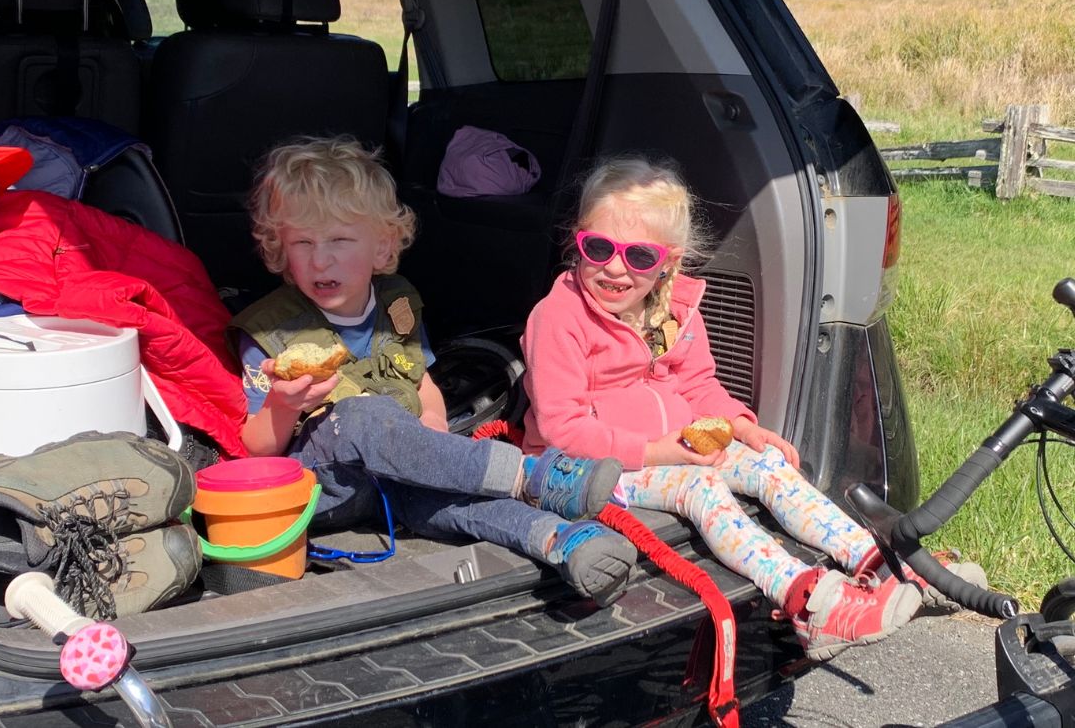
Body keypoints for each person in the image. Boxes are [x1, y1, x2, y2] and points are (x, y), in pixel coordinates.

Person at [521, 156, 983, 660]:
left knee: (767, 464)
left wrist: (741, 426)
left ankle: (879, 560)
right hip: (587, 467)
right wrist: (658, 451)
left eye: (639, 257)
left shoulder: (673, 309)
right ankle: (805, 600)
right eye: (599, 248)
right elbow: (563, 428)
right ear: (579, 241)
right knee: (700, 487)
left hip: (674, 448)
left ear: (668, 264)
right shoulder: (559, 317)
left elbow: (699, 385)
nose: (614, 267)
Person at [230, 137, 638, 604]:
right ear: (279, 248)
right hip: (324, 485)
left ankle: (560, 541)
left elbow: (421, 382)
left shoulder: (396, 301)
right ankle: (529, 475)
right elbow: (255, 448)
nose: (320, 259)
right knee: (365, 416)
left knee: (450, 503)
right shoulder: (271, 333)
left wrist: (433, 434)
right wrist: (284, 404)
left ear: (382, 246)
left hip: (394, 477)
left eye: (340, 240)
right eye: (302, 242)